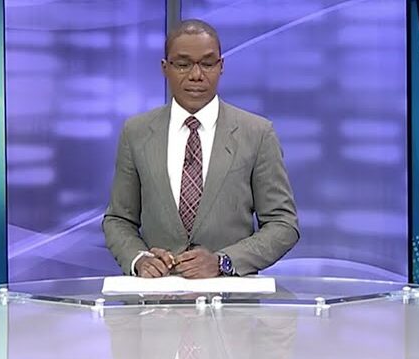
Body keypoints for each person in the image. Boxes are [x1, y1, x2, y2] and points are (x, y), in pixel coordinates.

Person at [103, 19, 299, 279]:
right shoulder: (136, 132)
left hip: (232, 297)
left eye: (207, 64)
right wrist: (139, 259)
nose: (196, 75)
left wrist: (223, 262)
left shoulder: (257, 133)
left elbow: (283, 224)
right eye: (183, 64)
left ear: (221, 66)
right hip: (157, 296)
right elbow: (118, 219)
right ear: (165, 68)